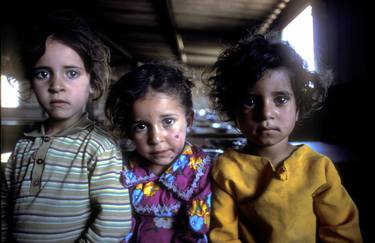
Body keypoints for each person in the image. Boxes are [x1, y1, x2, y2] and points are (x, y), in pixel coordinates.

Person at [206, 34, 362, 242]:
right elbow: (223, 236)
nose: (266, 113)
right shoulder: (226, 170)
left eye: (280, 99)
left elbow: (342, 231)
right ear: (233, 110)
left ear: (298, 108)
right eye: (250, 101)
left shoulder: (318, 168)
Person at [1, 10, 132, 242]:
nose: (56, 86)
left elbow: (114, 222)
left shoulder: (99, 148)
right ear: (30, 82)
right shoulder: (23, 145)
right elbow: (4, 205)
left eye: (71, 73)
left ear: (92, 83)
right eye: (43, 73)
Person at [105, 62, 212, 242]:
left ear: (189, 120)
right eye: (141, 126)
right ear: (129, 131)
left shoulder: (203, 174)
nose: (155, 138)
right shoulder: (119, 172)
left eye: (168, 121)